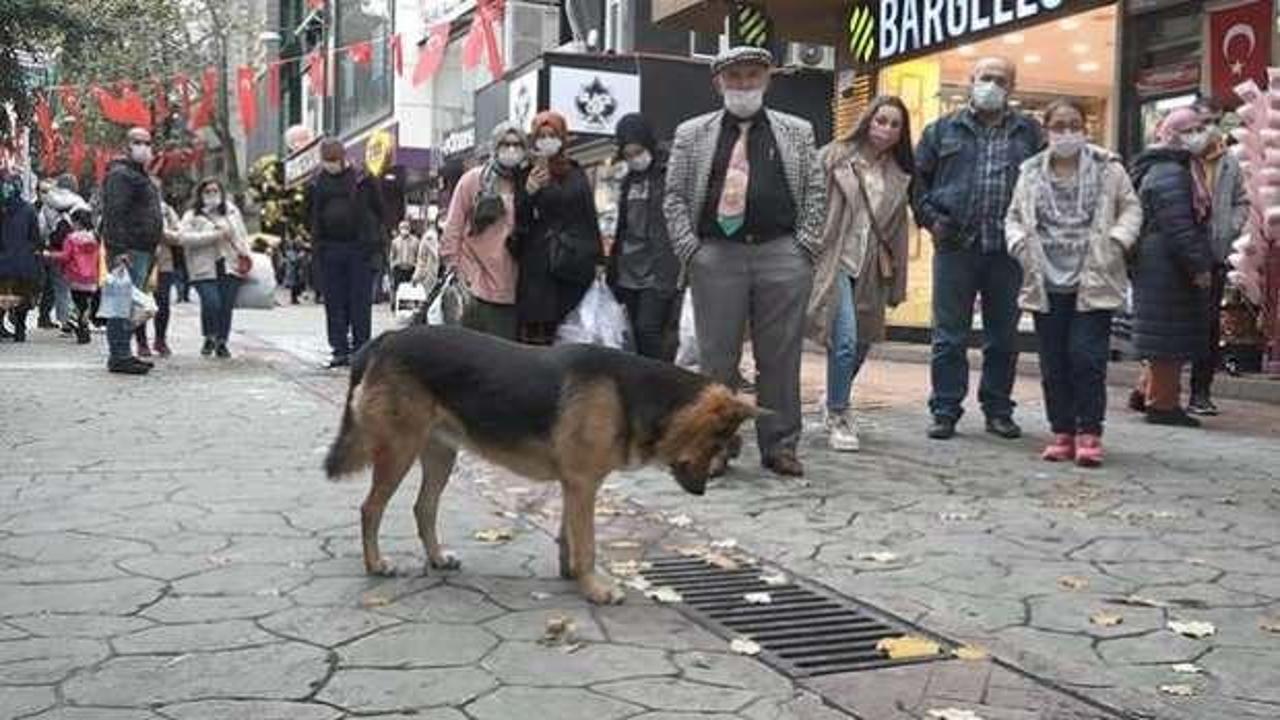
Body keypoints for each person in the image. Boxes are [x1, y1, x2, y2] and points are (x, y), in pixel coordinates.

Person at [664, 46, 826, 477]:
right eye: (734, 77)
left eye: (753, 75)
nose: (744, 84)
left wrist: (804, 247)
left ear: (768, 79)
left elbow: (815, 191)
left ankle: (781, 445)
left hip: (782, 253)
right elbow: (675, 197)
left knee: (781, 357)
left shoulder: (797, 131)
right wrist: (690, 250)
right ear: (718, 82)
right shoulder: (691, 133)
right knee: (717, 360)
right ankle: (715, 447)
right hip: (716, 255)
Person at [1006, 100, 1143, 466]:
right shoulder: (1031, 171)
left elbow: (1131, 208)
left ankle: (1089, 433)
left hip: (1094, 276)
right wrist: (1019, 244)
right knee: (1053, 362)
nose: (1067, 132)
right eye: (1059, 126)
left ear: (1085, 128)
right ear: (1047, 130)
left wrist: (1117, 240)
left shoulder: (1107, 167)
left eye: (1074, 125)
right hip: (1046, 281)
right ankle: (1062, 432)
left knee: (1087, 357)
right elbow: (1014, 217)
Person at [913, 56, 1044, 441]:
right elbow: (917, 184)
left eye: (1000, 79)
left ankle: (998, 410)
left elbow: (1045, 180)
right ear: (971, 81)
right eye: (985, 77)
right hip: (956, 246)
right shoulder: (941, 130)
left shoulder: (1029, 132)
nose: (991, 84)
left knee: (1003, 336)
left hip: (1007, 249)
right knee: (948, 336)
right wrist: (934, 222)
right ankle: (945, 410)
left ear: (1012, 88)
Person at [806, 96, 914, 453]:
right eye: (881, 120)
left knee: (863, 342)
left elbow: (897, 232)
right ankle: (838, 413)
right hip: (834, 258)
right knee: (847, 339)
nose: (886, 129)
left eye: (895, 124)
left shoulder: (897, 176)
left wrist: (897, 284)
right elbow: (809, 202)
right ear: (868, 120)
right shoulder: (835, 156)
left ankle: (832, 396)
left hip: (871, 267)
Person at [1128, 108, 1215, 427]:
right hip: (1166, 265)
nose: (1202, 133)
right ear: (1173, 134)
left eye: (1203, 127)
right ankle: (1162, 405)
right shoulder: (1170, 172)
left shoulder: (1173, 167)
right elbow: (1179, 226)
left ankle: (1146, 391)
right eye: (1193, 129)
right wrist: (1198, 266)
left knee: (1163, 332)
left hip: (1159, 262)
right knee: (1169, 336)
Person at [514, 111, 602, 345]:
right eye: (541, 136)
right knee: (538, 335)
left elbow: (588, 216)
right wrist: (530, 192)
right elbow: (518, 221)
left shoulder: (575, 172)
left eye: (552, 135)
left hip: (573, 263)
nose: (546, 140)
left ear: (562, 138)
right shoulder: (525, 173)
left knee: (570, 332)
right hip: (538, 267)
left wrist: (598, 259)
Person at [1186, 98, 1248, 416]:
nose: (1204, 130)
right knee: (1171, 323)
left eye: (1211, 122)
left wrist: (1230, 229)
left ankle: (1200, 391)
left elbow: (1242, 200)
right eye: (1198, 123)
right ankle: (1154, 388)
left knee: (1207, 326)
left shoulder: (1229, 161)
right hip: (1179, 255)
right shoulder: (1178, 158)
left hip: (1214, 254)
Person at [439, 122, 526, 339]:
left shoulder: (527, 183)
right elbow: (453, 229)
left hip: (515, 288)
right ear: (495, 147)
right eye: (505, 144)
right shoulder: (473, 181)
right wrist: (457, 269)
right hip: (476, 287)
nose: (511, 150)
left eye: (517, 145)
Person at [609, 113, 680, 360]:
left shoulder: (668, 173)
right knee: (634, 335)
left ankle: (659, 381)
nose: (634, 159)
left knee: (648, 329)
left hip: (658, 268)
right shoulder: (628, 180)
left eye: (638, 151)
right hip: (628, 269)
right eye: (628, 155)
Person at [306, 139, 383, 368]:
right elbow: (311, 213)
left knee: (360, 301)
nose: (330, 165)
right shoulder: (317, 181)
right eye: (326, 161)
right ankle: (339, 348)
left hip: (359, 248)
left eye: (333, 161)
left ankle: (361, 348)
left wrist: (375, 240)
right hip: (330, 248)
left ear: (342, 158)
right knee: (334, 301)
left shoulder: (362, 178)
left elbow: (379, 208)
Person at [100, 127, 164, 373]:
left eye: (147, 143)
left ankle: (123, 352)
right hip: (129, 250)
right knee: (121, 303)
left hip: (143, 249)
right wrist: (118, 250)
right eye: (138, 142)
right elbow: (114, 214)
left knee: (130, 304)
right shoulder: (121, 175)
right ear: (127, 146)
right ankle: (119, 356)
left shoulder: (139, 175)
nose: (144, 147)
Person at [171, 178, 252, 359]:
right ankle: (210, 335)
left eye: (216, 191)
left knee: (225, 305)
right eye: (207, 191)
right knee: (211, 302)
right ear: (200, 194)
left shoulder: (231, 211)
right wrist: (213, 235)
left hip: (230, 264)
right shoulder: (192, 215)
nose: (212, 195)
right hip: (203, 266)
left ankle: (222, 341)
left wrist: (246, 255)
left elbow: (242, 235)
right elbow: (183, 239)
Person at [37, 174, 89, 334]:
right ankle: (78, 316)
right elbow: (89, 224)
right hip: (79, 249)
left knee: (60, 286)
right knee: (79, 285)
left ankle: (65, 320)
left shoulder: (48, 204)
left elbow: (42, 228)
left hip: (56, 249)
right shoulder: (79, 202)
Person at [43, 207, 100, 345]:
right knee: (86, 304)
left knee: (78, 303)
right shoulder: (95, 238)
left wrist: (49, 254)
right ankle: (84, 326)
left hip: (76, 277)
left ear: (77, 222)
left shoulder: (71, 238)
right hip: (92, 277)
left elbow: (65, 256)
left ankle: (81, 329)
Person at [139, 176, 182, 357]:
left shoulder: (167, 210)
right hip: (141, 260)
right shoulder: (134, 209)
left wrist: (163, 233)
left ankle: (160, 339)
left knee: (162, 303)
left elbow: (179, 234)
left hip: (164, 262)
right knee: (140, 304)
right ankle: (141, 343)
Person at [0, 165, 41, 343]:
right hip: (24, 262)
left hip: (2, 261)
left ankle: (1, 326)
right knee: (21, 295)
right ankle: (20, 329)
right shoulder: (29, 209)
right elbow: (36, 237)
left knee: (2, 294)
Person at [388, 220, 420, 306]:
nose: (404, 230)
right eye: (402, 228)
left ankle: (408, 306)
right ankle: (395, 304)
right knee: (397, 288)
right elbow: (392, 255)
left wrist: (417, 267)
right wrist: (392, 266)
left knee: (410, 289)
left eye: (406, 228)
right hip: (399, 268)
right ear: (399, 229)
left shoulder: (415, 241)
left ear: (409, 229)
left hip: (411, 268)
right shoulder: (395, 241)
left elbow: (418, 255)